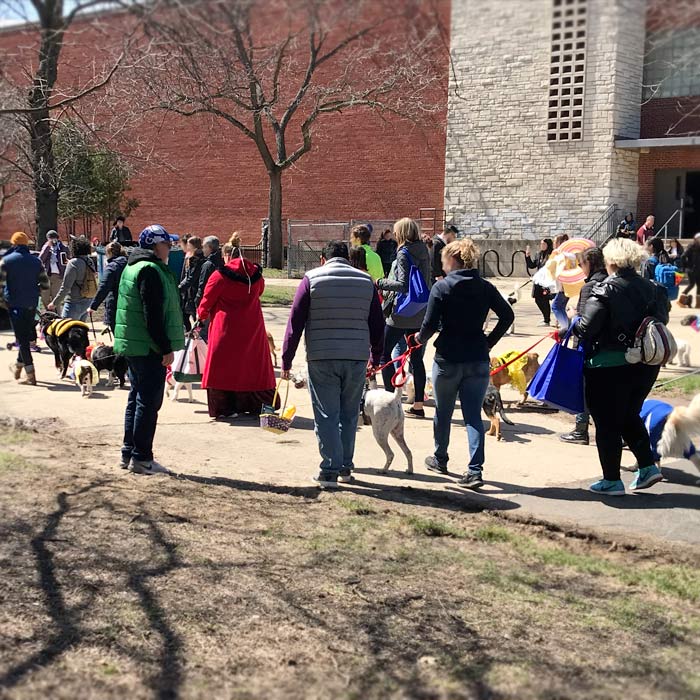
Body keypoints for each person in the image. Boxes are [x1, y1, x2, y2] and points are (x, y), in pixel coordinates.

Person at [281, 240, 384, 489]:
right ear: (349, 258)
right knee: (349, 415)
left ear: (322, 259)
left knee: (326, 414)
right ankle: (346, 467)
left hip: (322, 355)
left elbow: (295, 322)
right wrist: (376, 358)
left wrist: (287, 358)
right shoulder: (365, 281)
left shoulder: (311, 279)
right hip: (356, 357)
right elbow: (377, 325)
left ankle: (329, 469)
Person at [572, 238, 669, 496]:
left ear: (611, 261)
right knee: (628, 414)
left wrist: (573, 318)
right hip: (646, 365)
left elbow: (586, 328)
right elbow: (662, 318)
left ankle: (611, 480)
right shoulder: (653, 288)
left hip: (608, 365)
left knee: (606, 423)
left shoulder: (605, 289)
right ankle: (648, 466)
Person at [416, 238, 514, 488]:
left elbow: (428, 325)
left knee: (444, 411)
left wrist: (418, 339)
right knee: (472, 415)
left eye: (443, 261)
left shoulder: (442, 287)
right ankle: (475, 470)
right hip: (478, 357)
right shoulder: (485, 287)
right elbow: (507, 315)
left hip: (448, 357)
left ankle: (440, 458)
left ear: (452, 260)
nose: (442, 266)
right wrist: (489, 342)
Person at [114, 225, 185, 475]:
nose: (171, 248)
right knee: (148, 401)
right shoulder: (150, 271)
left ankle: (129, 451)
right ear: (156, 246)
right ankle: (142, 457)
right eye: (168, 244)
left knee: (136, 397)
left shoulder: (133, 267)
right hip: (147, 347)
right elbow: (151, 315)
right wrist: (165, 347)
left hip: (134, 344)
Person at [197, 252, 276, 419]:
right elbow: (260, 292)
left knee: (224, 368)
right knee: (253, 366)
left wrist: (201, 315)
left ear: (227, 256)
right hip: (252, 327)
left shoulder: (219, 276)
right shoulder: (256, 277)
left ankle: (226, 407)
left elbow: (207, 300)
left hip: (225, 328)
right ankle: (256, 404)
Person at [377, 217, 431, 419]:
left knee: (384, 353)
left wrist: (380, 282)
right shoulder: (424, 250)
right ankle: (418, 405)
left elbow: (402, 285)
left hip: (401, 313)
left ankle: (392, 401)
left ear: (401, 233)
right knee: (417, 359)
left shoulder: (403, 253)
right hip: (420, 311)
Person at [559, 247, 607, 445]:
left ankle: (581, 430)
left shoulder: (589, 287)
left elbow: (584, 321)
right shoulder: (609, 281)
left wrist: (572, 316)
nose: (580, 268)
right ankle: (614, 431)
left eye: (582, 264)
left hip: (587, 345)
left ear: (590, 263)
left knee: (585, 390)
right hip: (607, 345)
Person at [0, 232, 49, 385]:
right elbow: (45, 284)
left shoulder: (6, 261)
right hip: (31, 304)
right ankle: (18, 366)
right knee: (25, 336)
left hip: (14, 305)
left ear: (14, 244)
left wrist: (3, 302)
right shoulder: (37, 262)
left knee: (22, 339)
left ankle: (30, 373)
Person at [48, 237, 97, 321]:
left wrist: (54, 303)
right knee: (79, 330)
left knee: (66, 330)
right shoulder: (89, 261)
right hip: (88, 300)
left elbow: (66, 287)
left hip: (74, 303)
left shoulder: (73, 263)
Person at [88, 242, 127, 332]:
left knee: (117, 333)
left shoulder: (112, 267)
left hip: (115, 303)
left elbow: (104, 287)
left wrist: (93, 306)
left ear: (109, 253)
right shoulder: (129, 263)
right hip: (129, 303)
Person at [195, 236, 224, 342]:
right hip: (219, 304)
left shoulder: (207, 265)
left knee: (203, 334)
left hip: (207, 304)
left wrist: (198, 302)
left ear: (209, 247)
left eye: (204, 246)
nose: (202, 249)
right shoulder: (222, 263)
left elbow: (202, 286)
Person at [179, 236, 205, 331]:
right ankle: (192, 335)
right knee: (187, 315)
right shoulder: (193, 257)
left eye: (189, 245)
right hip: (190, 292)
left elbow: (191, 277)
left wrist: (179, 288)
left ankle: (193, 336)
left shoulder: (196, 259)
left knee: (192, 316)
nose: (187, 247)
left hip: (193, 292)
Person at [526, 238, 554, 326]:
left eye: (543, 244)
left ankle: (547, 320)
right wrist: (527, 256)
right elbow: (532, 265)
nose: (541, 246)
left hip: (547, 281)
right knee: (538, 299)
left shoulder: (552, 255)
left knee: (545, 300)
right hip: (538, 280)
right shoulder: (539, 254)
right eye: (541, 244)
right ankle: (545, 317)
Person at [38, 230, 70, 308]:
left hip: (58, 276)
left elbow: (67, 259)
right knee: (45, 297)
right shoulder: (46, 248)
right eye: (51, 238)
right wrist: (47, 247)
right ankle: (49, 314)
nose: (53, 240)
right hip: (47, 275)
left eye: (54, 238)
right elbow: (40, 259)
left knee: (56, 299)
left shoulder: (63, 248)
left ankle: (57, 316)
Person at [549, 234, 571, 330]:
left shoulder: (563, 255)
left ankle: (565, 327)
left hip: (564, 286)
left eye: (555, 241)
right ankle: (566, 326)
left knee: (555, 306)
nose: (553, 243)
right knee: (560, 306)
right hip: (565, 286)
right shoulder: (563, 254)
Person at [680, 233, 700, 299]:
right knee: (692, 284)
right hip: (691, 269)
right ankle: (682, 298)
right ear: (696, 239)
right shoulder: (691, 246)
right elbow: (683, 256)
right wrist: (686, 265)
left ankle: (698, 302)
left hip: (698, 269)